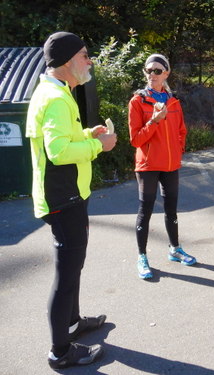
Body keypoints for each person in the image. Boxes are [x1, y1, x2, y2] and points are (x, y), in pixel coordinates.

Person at [26, 31, 117, 369]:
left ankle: (73, 323)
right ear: (66, 62)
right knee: (66, 275)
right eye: (84, 55)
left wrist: (86, 134)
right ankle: (60, 351)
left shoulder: (56, 90)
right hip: (62, 198)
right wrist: (99, 146)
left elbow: (62, 140)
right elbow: (59, 152)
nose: (89, 61)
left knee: (73, 268)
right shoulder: (56, 98)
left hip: (68, 194)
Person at [128, 53, 196, 280]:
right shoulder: (138, 101)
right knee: (144, 211)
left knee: (171, 209)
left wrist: (178, 151)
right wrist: (154, 121)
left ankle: (175, 249)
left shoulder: (174, 101)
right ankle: (142, 257)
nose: (152, 75)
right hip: (147, 165)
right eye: (148, 70)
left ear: (166, 73)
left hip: (170, 165)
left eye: (157, 70)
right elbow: (136, 139)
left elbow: (181, 131)